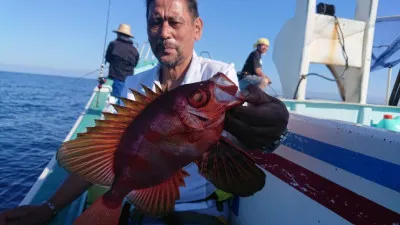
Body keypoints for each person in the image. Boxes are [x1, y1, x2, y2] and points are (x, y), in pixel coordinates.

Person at [0, 0, 289, 224]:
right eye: (155, 23)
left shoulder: (217, 75)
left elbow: (241, 133)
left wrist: (273, 134)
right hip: (138, 207)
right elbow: (106, 150)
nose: (164, 33)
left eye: (174, 22)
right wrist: (49, 207)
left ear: (197, 28)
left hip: (199, 211)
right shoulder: (137, 84)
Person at [105, 23, 140, 105]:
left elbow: (108, 58)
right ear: (128, 36)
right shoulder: (134, 50)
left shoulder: (113, 44)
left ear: (118, 34)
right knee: (125, 100)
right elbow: (135, 64)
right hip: (130, 80)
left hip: (116, 78)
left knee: (116, 99)